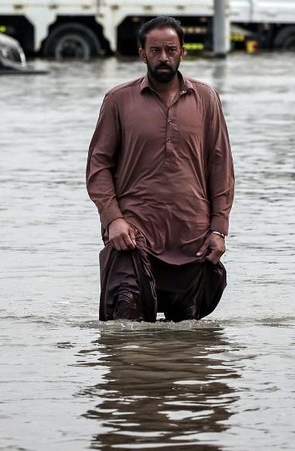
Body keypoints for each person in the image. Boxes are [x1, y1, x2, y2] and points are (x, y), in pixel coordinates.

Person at [86, 16, 235, 322]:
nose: (163, 57)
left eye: (170, 49)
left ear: (183, 52)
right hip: (133, 235)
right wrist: (113, 219)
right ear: (142, 53)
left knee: (187, 344)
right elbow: (98, 166)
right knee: (125, 331)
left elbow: (220, 168)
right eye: (155, 50)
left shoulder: (206, 99)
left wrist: (219, 229)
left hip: (192, 238)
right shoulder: (118, 100)